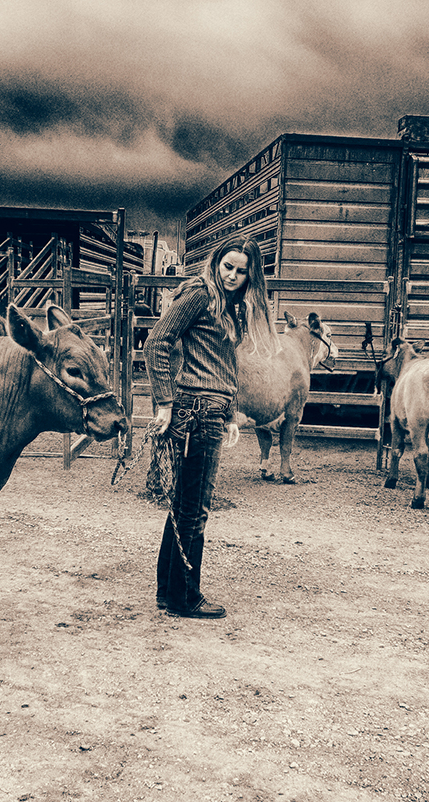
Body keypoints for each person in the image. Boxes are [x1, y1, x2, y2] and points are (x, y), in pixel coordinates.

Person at [143, 236, 280, 619]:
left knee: (184, 505)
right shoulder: (200, 294)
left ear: (252, 274)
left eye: (241, 270)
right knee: (195, 509)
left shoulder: (231, 305)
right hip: (196, 410)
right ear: (215, 262)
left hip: (213, 408)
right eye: (227, 267)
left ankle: (168, 591)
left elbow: (223, 363)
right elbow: (157, 341)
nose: (233, 275)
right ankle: (185, 597)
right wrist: (166, 401)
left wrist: (232, 412)